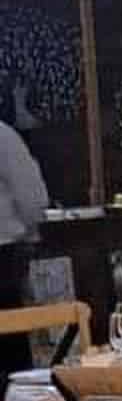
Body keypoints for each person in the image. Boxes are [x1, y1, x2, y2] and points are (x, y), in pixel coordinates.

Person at [0, 118, 50, 380]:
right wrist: (33, 229)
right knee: (11, 349)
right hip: (4, 251)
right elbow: (31, 195)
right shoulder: (3, 135)